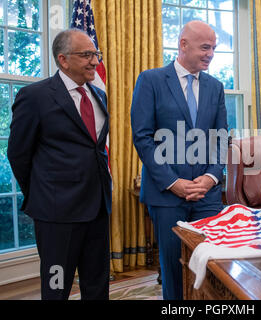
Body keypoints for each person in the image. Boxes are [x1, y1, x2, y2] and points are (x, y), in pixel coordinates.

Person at [7, 29, 112, 300]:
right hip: (57, 214)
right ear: (63, 60)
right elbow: (18, 154)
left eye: (95, 54)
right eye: (86, 55)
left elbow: (96, 149)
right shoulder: (35, 97)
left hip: (98, 208)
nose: (94, 61)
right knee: (57, 287)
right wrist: (44, 193)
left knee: (97, 284)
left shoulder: (98, 96)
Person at [131, 20, 228, 300]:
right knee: (175, 269)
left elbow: (221, 138)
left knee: (210, 266)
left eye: (214, 48)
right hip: (166, 195)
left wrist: (210, 178)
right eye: (205, 47)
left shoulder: (216, 86)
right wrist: (173, 182)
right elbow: (143, 137)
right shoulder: (151, 80)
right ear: (183, 45)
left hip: (206, 194)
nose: (210, 54)